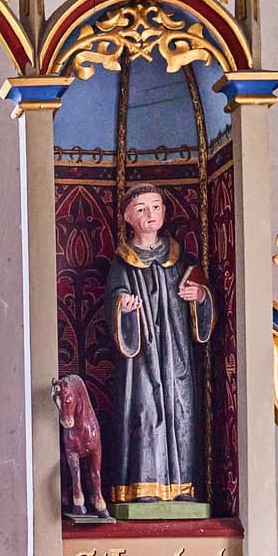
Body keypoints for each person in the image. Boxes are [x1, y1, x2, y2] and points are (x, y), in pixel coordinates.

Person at [103, 184, 213, 509]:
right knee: (145, 410)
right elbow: (113, 296)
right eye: (141, 209)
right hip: (142, 359)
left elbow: (201, 290)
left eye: (155, 207)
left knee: (180, 409)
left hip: (175, 351)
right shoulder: (123, 262)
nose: (149, 215)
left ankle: (181, 485)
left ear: (164, 212)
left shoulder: (178, 259)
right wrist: (122, 304)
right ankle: (142, 485)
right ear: (127, 217)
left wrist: (201, 297)